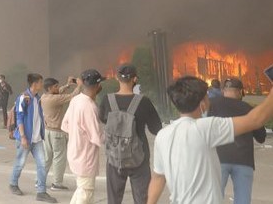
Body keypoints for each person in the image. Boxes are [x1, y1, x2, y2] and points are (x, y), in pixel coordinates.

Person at [147, 76, 273, 204]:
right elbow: (256, 120)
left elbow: (158, 178)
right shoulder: (206, 128)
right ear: (202, 103)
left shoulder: (163, 135)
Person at [100, 64, 163, 204]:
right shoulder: (144, 102)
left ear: (117, 78)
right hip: (139, 158)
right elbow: (156, 129)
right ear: (135, 79)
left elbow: (103, 119)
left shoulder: (107, 100)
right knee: (142, 200)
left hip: (114, 158)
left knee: (114, 200)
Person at [208, 77, 266, 204]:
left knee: (212, 199)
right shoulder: (248, 109)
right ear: (240, 92)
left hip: (218, 159)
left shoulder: (211, 104)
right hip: (244, 161)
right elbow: (261, 137)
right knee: (242, 200)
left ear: (223, 91)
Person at [9, 73, 57, 203]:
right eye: (41, 82)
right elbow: (19, 118)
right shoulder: (23, 98)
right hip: (25, 138)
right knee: (20, 163)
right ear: (35, 84)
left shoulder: (37, 98)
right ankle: (13, 184)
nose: (42, 84)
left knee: (42, 164)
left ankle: (41, 192)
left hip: (37, 139)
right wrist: (23, 137)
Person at [61, 70, 105, 204]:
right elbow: (97, 137)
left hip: (74, 153)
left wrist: (78, 133)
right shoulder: (90, 107)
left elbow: (65, 125)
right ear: (97, 86)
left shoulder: (76, 100)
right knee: (85, 192)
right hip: (85, 158)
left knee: (82, 190)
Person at [41, 76, 81, 192]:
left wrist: (67, 85)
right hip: (57, 133)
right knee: (59, 158)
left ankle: (40, 180)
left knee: (47, 158)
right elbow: (72, 96)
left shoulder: (44, 97)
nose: (58, 88)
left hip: (47, 131)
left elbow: (59, 91)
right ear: (49, 88)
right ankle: (57, 183)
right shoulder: (55, 99)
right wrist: (79, 85)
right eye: (56, 86)